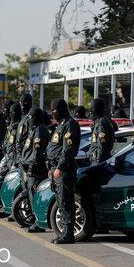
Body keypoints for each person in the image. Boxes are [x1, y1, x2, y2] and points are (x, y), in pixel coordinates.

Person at [47, 98, 81, 244]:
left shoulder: (70, 125)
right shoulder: (60, 125)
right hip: (56, 169)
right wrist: (52, 167)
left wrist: (60, 167)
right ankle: (64, 233)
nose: (53, 113)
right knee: (60, 200)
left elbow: (68, 150)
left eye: (54, 110)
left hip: (65, 170)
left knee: (66, 201)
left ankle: (69, 234)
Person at [19, 107, 51, 232]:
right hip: (30, 168)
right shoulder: (35, 129)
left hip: (36, 169)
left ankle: (38, 223)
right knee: (32, 194)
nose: (30, 120)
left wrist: (31, 165)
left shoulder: (39, 130)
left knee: (35, 195)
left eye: (31, 118)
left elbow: (37, 151)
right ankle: (36, 221)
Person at [88, 99, 115, 165]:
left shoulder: (101, 123)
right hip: (98, 160)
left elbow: (101, 146)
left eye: (91, 112)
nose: (90, 114)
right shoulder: (100, 121)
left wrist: (98, 162)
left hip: (99, 161)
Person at [15, 93, 33, 165]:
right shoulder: (22, 117)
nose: (22, 106)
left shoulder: (32, 117)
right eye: (20, 103)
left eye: (24, 103)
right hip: (19, 154)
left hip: (26, 154)